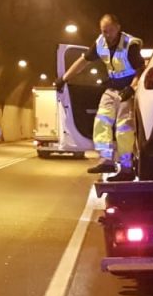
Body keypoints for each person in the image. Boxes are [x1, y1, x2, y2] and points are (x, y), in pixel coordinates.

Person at [57, 13, 145, 179]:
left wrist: (132, 88)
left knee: (124, 129)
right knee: (101, 122)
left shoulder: (129, 45)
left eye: (110, 30)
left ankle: (127, 169)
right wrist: (64, 78)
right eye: (104, 31)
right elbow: (83, 61)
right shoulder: (100, 43)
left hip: (127, 91)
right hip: (112, 89)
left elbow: (141, 70)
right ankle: (106, 161)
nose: (107, 35)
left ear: (118, 28)